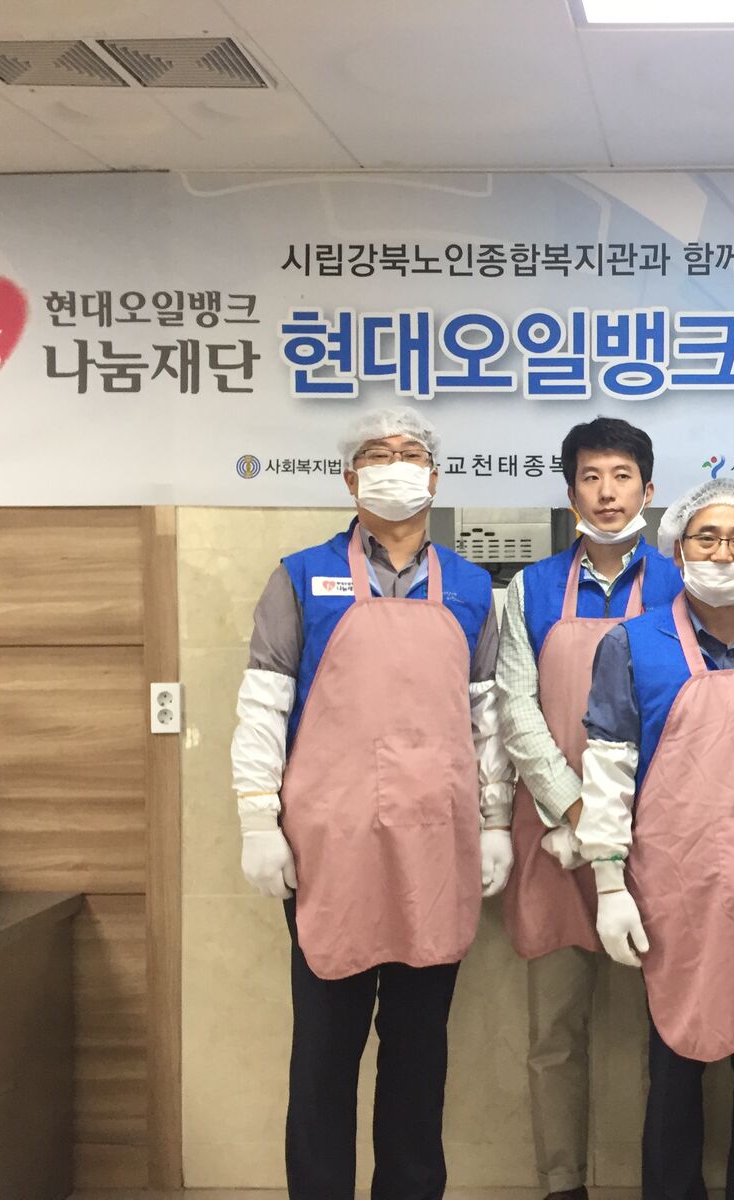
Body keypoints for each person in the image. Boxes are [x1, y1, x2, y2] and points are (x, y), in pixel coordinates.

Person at [231, 406, 514, 1200]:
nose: (396, 465)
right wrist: (257, 817)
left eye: (411, 452)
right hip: (331, 847)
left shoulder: (471, 588)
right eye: (378, 454)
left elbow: (487, 716)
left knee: (419, 1051)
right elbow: (262, 704)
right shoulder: (300, 578)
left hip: (436, 842)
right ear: (351, 477)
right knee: (325, 1050)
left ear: (435, 476)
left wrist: (496, 819)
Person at [576, 478, 734, 1200]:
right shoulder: (631, 643)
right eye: (706, 537)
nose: (722, 552)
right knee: (675, 1063)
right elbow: (609, 770)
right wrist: (609, 881)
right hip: (676, 891)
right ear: (677, 548)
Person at [495, 416, 684, 1200]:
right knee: (554, 1033)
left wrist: (627, 822)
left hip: (658, 837)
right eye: (590, 477)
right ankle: (561, 1184)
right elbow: (516, 708)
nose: (607, 492)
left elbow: (693, 716)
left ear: (649, 487)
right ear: (571, 491)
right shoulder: (531, 589)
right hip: (554, 836)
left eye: (622, 476)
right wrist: (575, 810)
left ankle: (664, 1181)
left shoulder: (684, 584)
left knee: (671, 1028)